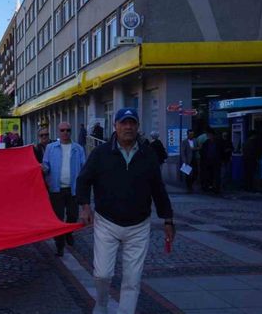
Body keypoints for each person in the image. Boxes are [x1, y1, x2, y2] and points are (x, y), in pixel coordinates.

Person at [77, 108, 174, 314]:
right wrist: (85, 206)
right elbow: (83, 180)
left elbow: (158, 188)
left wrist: (168, 219)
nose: (128, 127)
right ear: (116, 126)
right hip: (107, 222)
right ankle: (101, 303)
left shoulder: (148, 154)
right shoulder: (100, 153)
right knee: (102, 273)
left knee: (132, 278)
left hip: (139, 225)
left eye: (132, 123)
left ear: (138, 126)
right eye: (124, 123)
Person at [43, 122, 86, 257]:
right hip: (56, 189)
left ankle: (69, 232)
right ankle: (59, 245)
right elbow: (46, 164)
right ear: (58, 132)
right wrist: (43, 169)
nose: (65, 132)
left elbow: (84, 167)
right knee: (58, 218)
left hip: (73, 189)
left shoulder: (78, 149)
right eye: (62, 130)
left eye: (68, 130)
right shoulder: (51, 148)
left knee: (73, 215)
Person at [200, 128, 222, 193]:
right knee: (209, 175)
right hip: (208, 162)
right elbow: (203, 152)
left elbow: (221, 151)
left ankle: (216, 187)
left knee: (216, 175)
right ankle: (210, 186)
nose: (209, 136)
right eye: (208, 135)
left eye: (209, 135)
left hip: (216, 161)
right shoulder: (206, 143)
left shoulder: (218, 142)